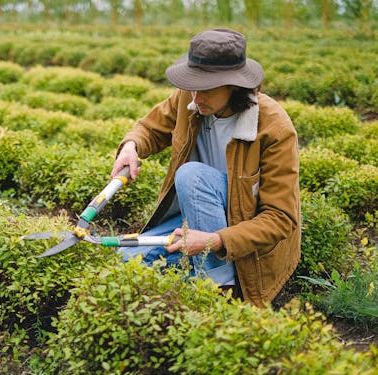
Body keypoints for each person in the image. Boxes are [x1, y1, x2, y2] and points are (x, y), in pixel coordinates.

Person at [111, 28, 300, 307]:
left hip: (244, 234)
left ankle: (219, 288)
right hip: (199, 214)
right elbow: (150, 128)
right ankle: (196, 271)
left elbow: (280, 218)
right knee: (125, 259)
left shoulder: (274, 128)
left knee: (191, 175)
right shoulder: (190, 100)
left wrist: (214, 239)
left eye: (207, 89)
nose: (195, 98)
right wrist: (131, 147)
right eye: (192, 86)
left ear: (235, 86)